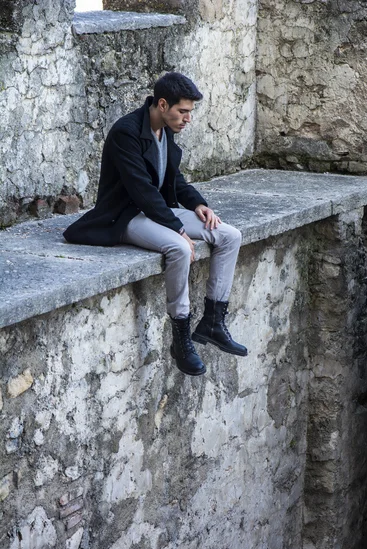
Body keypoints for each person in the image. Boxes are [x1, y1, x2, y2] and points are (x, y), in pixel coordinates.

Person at [64, 72, 247, 376]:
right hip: (125, 215)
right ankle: (182, 337)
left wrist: (199, 205)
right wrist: (176, 228)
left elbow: (175, 181)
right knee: (178, 248)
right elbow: (141, 191)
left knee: (229, 235)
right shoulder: (126, 132)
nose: (187, 119)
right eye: (182, 111)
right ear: (162, 104)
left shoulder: (166, 130)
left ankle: (213, 323)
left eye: (190, 112)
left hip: (157, 211)